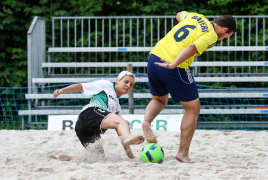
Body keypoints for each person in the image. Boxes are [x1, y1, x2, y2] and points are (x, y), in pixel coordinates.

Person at [142, 11, 237, 163]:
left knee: (159, 99)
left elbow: (179, 14)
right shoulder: (212, 35)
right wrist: (173, 64)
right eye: (227, 37)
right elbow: (193, 47)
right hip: (173, 65)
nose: (223, 40)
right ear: (225, 30)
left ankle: (146, 122)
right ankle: (182, 154)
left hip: (154, 58)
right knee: (193, 108)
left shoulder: (196, 16)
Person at [53, 71, 144, 161]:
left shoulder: (117, 107)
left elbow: (122, 135)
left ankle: (66, 158)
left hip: (84, 128)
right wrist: (63, 90)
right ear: (117, 81)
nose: (128, 85)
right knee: (123, 122)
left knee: (98, 158)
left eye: (131, 84)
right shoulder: (107, 85)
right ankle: (129, 137)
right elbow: (81, 87)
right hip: (89, 113)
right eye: (126, 82)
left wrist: (131, 157)